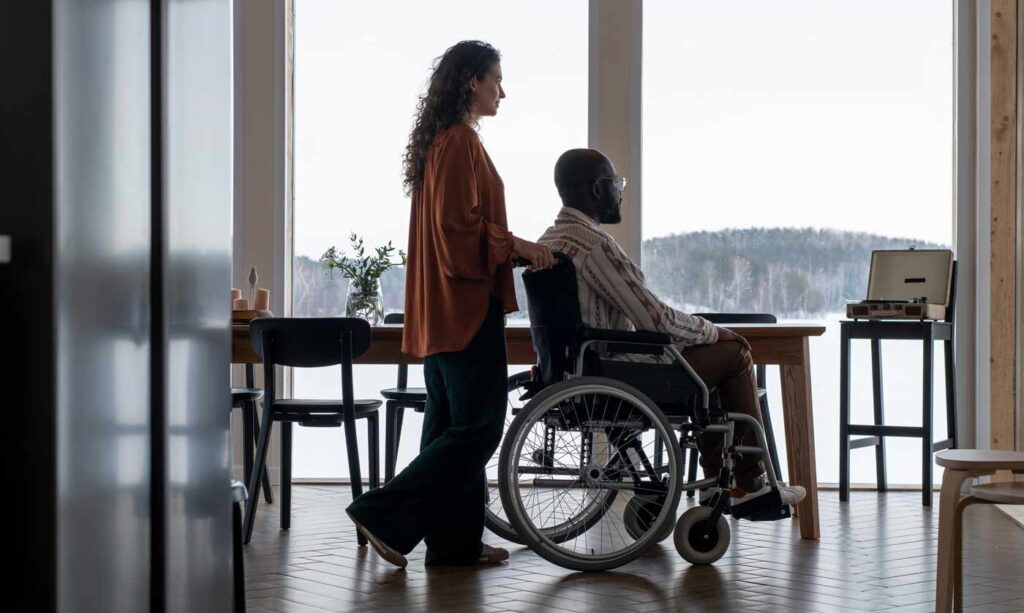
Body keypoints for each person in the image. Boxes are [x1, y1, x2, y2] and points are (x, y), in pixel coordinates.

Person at [346, 41, 554, 569]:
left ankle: (452, 544)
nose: (502, 91)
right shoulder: (459, 140)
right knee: (479, 428)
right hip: (463, 310)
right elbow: (458, 233)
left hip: (439, 310)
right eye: (495, 80)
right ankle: (381, 512)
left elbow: (450, 229)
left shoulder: (440, 142)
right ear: (471, 82)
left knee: (447, 427)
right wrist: (519, 246)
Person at [536, 148, 804, 517]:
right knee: (735, 353)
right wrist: (711, 331)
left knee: (708, 367)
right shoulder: (594, 245)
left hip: (575, 372)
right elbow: (655, 320)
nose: (621, 192)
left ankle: (721, 488)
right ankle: (748, 482)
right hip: (617, 375)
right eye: (618, 184)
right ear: (598, 189)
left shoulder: (550, 240)